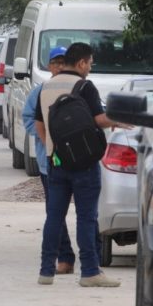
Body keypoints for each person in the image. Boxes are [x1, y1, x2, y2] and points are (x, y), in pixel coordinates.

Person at [35, 42, 128, 287]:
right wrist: (120, 119)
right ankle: (89, 272)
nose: (90, 68)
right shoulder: (85, 86)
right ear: (81, 63)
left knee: (54, 216)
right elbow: (98, 119)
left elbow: (38, 124)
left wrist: (51, 150)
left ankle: (46, 271)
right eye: (90, 63)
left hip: (56, 162)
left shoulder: (46, 86)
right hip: (85, 162)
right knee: (87, 217)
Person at [23, 46, 75, 275]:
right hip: (49, 163)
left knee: (87, 211)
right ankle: (65, 257)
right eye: (56, 62)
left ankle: (92, 258)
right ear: (50, 66)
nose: (60, 67)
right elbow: (28, 120)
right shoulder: (39, 92)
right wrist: (47, 139)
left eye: (64, 62)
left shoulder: (79, 88)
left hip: (78, 160)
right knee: (55, 211)